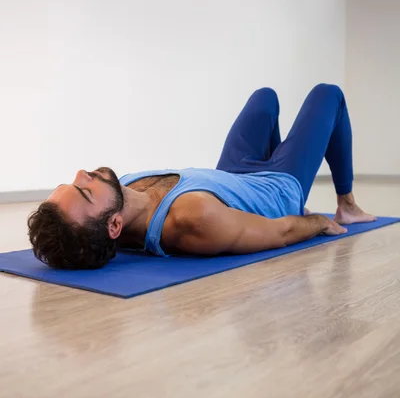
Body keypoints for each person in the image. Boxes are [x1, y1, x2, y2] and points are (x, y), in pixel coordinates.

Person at [28, 83, 376, 269]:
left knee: (264, 98)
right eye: (84, 191)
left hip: (231, 174)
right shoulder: (191, 218)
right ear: (114, 226)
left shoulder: (121, 193)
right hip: (277, 185)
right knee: (329, 95)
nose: (82, 174)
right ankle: (347, 204)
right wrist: (318, 222)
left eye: (71, 183)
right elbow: (281, 231)